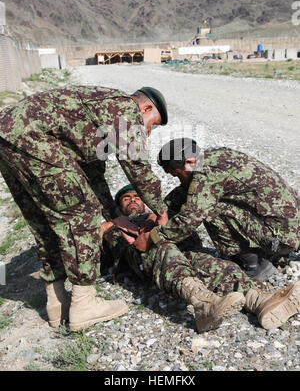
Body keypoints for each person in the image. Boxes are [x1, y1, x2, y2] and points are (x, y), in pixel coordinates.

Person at [0, 85, 169, 331]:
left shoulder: (97, 111)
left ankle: (56, 302)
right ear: (145, 108)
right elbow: (137, 167)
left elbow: (93, 176)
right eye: (151, 124)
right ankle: (84, 302)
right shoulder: (124, 107)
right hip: (32, 136)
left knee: (45, 218)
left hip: (7, 134)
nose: (149, 132)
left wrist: (114, 216)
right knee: (80, 214)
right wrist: (160, 210)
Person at [101, 184, 300, 332]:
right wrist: (110, 225)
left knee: (215, 264)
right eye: (126, 198)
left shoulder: (157, 216)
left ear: (145, 202)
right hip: (144, 260)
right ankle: (202, 304)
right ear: (119, 205)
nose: (132, 200)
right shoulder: (114, 224)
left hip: (179, 256)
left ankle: (260, 301)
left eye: (137, 196)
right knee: (164, 247)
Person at [153, 138, 299, 281]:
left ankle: (254, 264)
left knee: (210, 208)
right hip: (291, 224)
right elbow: (186, 190)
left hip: (281, 236)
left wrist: (153, 237)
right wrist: (159, 212)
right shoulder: (213, 157)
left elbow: (191, 218)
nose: (180, 180)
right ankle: (273, 250)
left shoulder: (207, 172)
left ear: (189, 161)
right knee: (205, 199)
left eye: (178, 174)